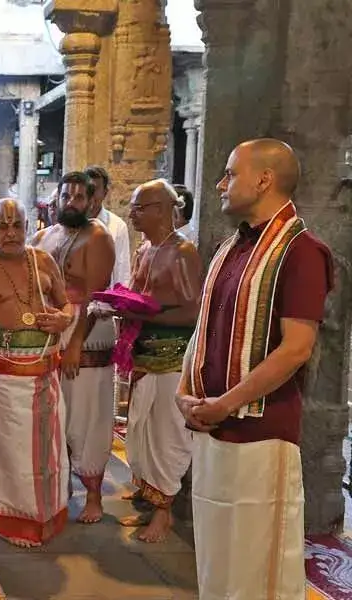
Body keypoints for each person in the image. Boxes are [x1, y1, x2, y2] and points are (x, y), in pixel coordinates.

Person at [178, 139, 332, 600]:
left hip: (260, 431)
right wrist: (186, 393)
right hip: (212, 425)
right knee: (217, 554)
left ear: (264, 179)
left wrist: (225, 403)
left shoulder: (301, 250)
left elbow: (296, 349)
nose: (221, 184)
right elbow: (204, 329)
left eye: (229, 173)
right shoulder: (232, 247)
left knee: (255, 561)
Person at [0, 198, 74, 546]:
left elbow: (66, 303)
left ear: (29, 226)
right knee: (6, 449)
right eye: (2, 226)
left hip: (42, 371)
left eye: (17, 226)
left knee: (45, 450)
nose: (10, 233)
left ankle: (45, 517)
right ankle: (13, 518)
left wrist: (64, 318)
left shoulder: (42, 259)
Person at [103, 179, 202, 543]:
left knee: (166, 436)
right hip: (142, 355)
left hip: (170, 360)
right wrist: (121, 303)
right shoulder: (146, 248)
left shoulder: (184, 251)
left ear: (162, 209)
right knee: (141, 431)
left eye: (139, 207)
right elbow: (142, 296)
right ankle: (148, 494)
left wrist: (143, 315)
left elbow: (193, 312)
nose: (132, 213)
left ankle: (165, 514)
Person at [32, 171, 116, 524]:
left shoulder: (99, 238)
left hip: (87, 331)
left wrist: (76, 343)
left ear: (92, 201)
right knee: (55, 414)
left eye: (79, 197)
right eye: (66, 195)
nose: (71, 202)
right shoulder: (44, 236)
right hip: (53, 329)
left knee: (86, 414)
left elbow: (97, 297)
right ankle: (59, 487)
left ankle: (94, 496)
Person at [86, 166, 132, 288]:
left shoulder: (117, 226)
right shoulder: (74, 223)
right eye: (87, 189)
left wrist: (119, 301)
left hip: (105, 299)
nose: (90, 194)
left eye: (95, 189)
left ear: (105, 193)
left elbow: (122, 269)